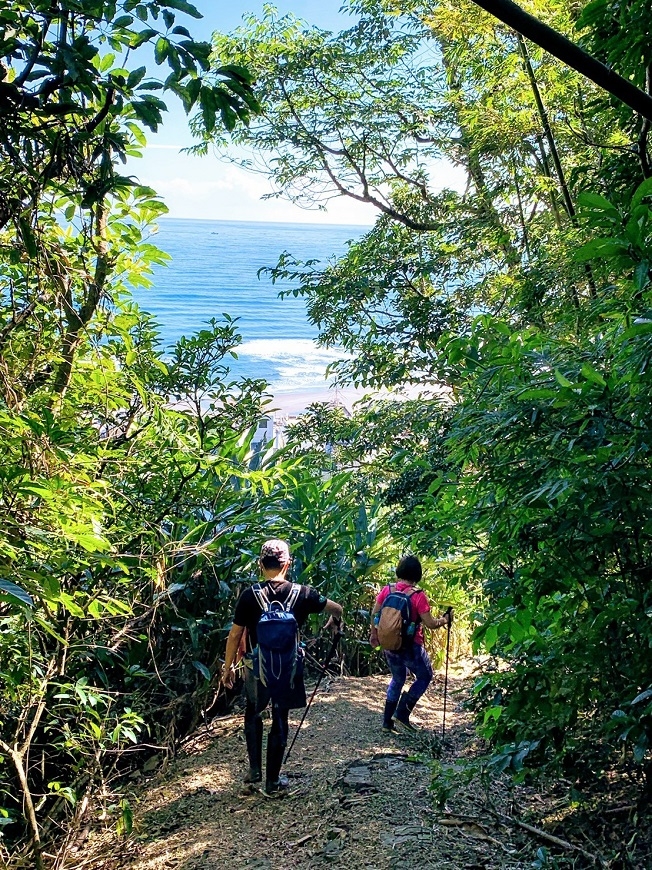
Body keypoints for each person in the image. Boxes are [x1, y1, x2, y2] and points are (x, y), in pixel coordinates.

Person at [221, 538, 343, 795]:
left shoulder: (249, 595)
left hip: (257, 667)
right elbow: (337, 608)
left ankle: (254, 770)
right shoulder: (304, 593)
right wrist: (333, 621)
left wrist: (227, 668)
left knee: (253, 711)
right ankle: (273, 782)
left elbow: (234, 635)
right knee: (279, 717)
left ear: (260, 564)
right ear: (288, 563)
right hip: (287, 668)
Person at [370, 554, 452, 732]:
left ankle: (386, 722)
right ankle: (402, 713)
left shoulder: (388, 590)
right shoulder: (418, 595)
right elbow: (430, 624)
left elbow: (375, 615)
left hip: (389, 644)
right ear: (417, 574)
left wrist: (373, 634)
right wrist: (445, 620)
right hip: (410, 646)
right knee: (425, 676)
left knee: (397, 678)